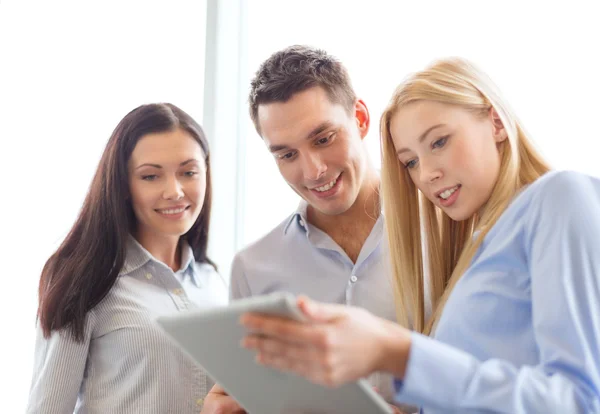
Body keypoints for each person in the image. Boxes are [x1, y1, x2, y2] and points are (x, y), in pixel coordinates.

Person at [239, 57, 600, 413]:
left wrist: (398, 351)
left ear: (495, 121)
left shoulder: (559, 196)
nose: (426, 174)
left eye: (439, 142)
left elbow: (582, 401)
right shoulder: (476, 247)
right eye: (410, 161)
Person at [202, 45, 409, 413]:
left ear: (360, 119)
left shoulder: (442, 232)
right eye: (287, 155)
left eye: (323, 139)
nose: (313, 171)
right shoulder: (253, 268)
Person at [27, 103, 228, 413]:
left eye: (188, 172)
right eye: (150, 176)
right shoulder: (87, 279)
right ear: (122, 184)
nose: (174, 191)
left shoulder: (213, 283)